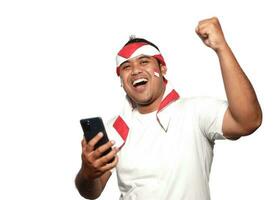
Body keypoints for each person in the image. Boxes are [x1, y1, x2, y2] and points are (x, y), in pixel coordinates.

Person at [75, 17, 262, 200]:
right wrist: (88, 172)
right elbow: (91, 192)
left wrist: (221, 47)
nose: (135, 70)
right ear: (121, 81)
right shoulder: (113, 130)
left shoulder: (194, 113)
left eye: (144, 61)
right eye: (126, 66)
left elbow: (248, 121)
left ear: (162, 68)